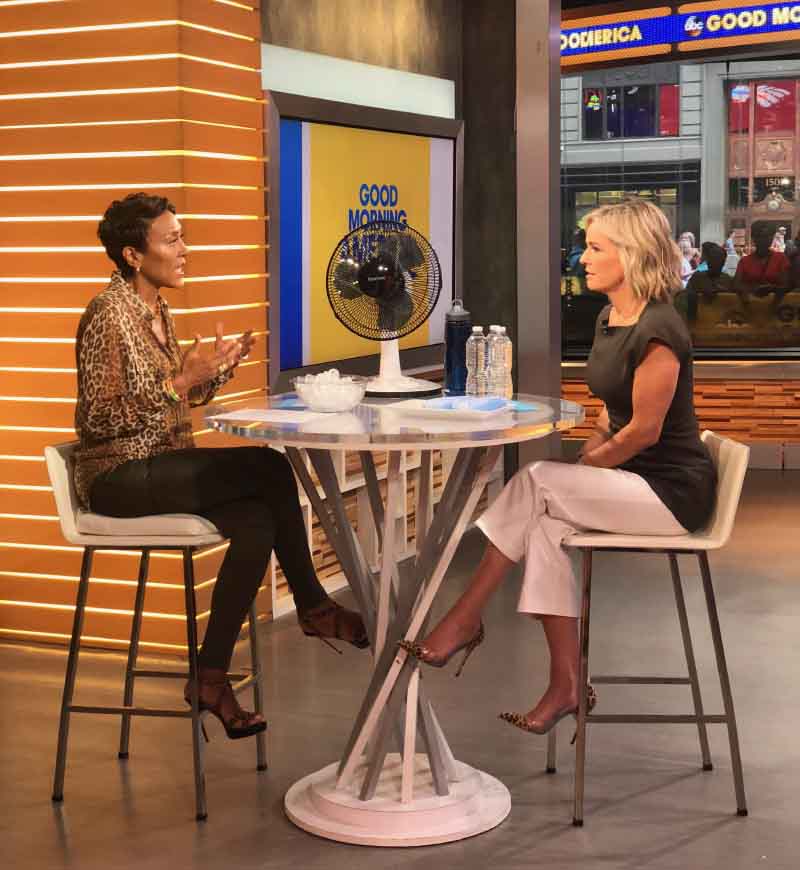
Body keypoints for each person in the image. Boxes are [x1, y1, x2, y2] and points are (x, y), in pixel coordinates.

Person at [401, 198, 716, 735]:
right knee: (544, 524)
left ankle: (465, 617)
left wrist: (588, 467)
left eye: (596, 249)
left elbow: (644, 430)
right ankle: (566, 683)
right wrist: (590, 457)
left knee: (535, 479)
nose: (583, 259)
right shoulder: (611, 316)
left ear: (631, 254)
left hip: (671, 491)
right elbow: (609, 413)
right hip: (629, 478)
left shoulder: (661, 327)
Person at [74, 193, 367, 740]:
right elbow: (100, 418)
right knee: (270, 469)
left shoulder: (155, 309)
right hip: (115, 477)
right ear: (134, 255)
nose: (185, 249)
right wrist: (182, 381)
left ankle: (209, 678)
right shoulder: (107, 315)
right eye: (172, 239)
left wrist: (215, 371)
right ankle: (314, 606)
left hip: (159, 465)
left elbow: (171, 398)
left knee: (257, 518)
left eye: (182, 236)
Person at [733, 221, 790, 305]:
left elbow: (787, 284)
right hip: (750, 308)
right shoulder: (744, 261)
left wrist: (772, 288)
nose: (764, 240)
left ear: (772, 238)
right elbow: (735, 284)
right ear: (753, 238)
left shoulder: (781, 258)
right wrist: (751, 289)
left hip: (775, 309)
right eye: (760, 236)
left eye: (768, 236)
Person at [684, 241, 733, 318]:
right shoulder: (697, 277)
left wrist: (718, 290)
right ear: (708, 261)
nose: (714, 262)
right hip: (700, 320)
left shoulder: (727, 279)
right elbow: (686, 296)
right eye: (712, 259)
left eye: (718, 260)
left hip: (722, 320)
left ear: (723, 262)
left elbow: (732, 300)